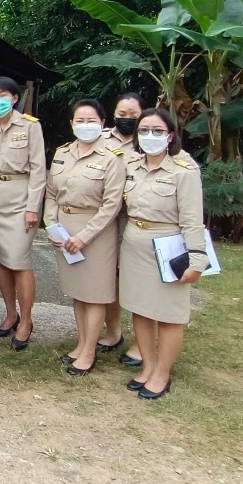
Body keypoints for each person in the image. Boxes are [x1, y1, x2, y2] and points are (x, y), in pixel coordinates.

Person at [119, 108, 207, 400]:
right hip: (134, 243)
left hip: (168, 245)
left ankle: (162, 373)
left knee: (169, 315)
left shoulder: (184, 170)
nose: (150, 136)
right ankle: (148, 364)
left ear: (170, 136)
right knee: (140, 309)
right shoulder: (131, 164)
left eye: (157, 131)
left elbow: (193, 220)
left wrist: (197, 259)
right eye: (144, 130)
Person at [44, 99, 125, 375]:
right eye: (80, 120)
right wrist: (51, 224)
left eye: (91, 121)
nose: (85, 125)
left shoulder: (112, 157)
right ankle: (81, 343)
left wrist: (84, 236)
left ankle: (89, 352)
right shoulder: (62, 153)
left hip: (96, 232)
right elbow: (52, 192)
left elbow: (112, 205)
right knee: (78, 293)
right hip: (65, 230)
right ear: (71, 124)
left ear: (102, 123)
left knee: (95, 295)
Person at [0, 76, 46, 350]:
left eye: (1, 94)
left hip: (22, 200)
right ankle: (10, 314)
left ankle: (27, 321)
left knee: (19, 261)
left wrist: (33, 207)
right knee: (3, 261)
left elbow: (39, 169)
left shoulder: (30, 127)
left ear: (14, 98)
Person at [102, 92, 146, 367]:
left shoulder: (149, 142)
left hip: (137, 220)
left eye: (132, 115)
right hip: (106, 219)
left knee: (139, 281)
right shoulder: (102, 139)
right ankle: (113, 331)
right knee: (109, 277)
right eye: (122, 113)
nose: (126, 119)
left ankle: (141, 343)